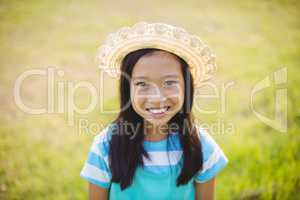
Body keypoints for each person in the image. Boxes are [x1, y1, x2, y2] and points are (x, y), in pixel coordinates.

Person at [80, 22, 228, 200]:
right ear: (128, 90)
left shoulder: (200, 146)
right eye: (142, 84)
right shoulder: (106, 146)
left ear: (186, 87)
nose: (157, 97)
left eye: (169, 82)